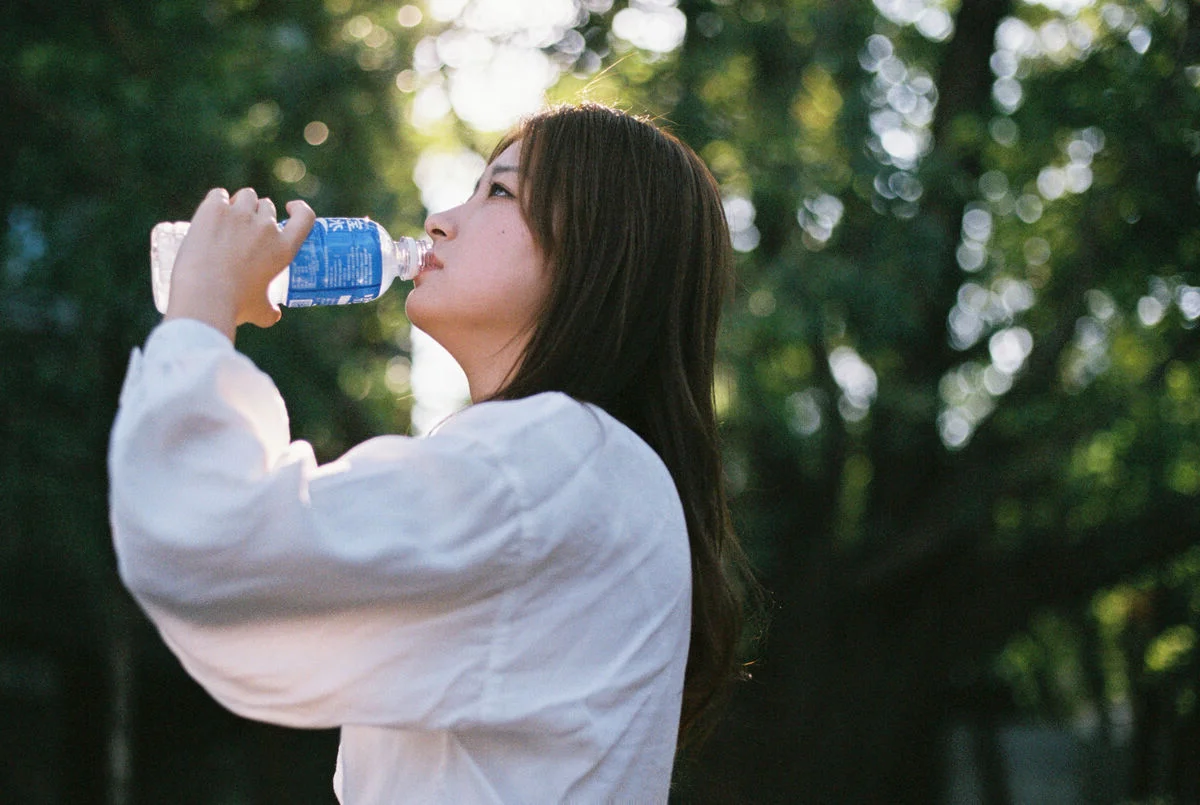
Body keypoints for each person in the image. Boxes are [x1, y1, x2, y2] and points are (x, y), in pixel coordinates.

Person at [109, 102, 756, 802]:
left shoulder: (556, 462)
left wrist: (203, 305)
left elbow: (213, 547)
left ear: (602, 248)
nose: (441, 220)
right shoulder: (587, 474)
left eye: (499, 192)